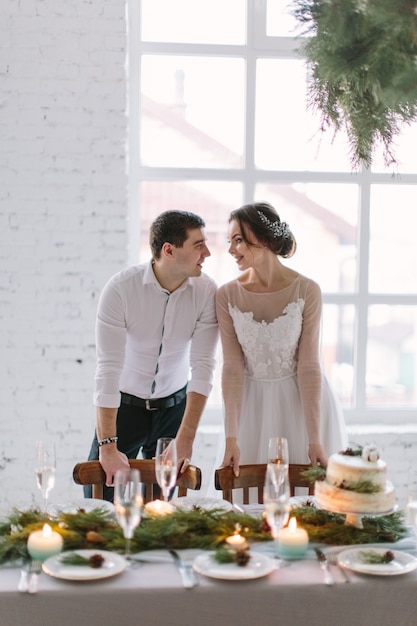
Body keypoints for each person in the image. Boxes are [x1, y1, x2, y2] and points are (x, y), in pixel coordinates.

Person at [85, 210, 218, 501]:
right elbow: (107, 369)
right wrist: (108, 445)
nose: (207, 253)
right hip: (123, 411)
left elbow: (204, 366)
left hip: (174, 411)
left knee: (162, 515)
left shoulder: (207, 291)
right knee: (100, 507)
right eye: (198, 245)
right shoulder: (120, 290)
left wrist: (186, 438)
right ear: (169, 250)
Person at [216, 201, 347, 478]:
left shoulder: (307, 290)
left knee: (308, 498)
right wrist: (231, 438)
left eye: (238, 240)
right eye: (230, 241)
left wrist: (314, 440)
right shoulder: (226, 295)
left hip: (303, 405)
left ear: (263, 238)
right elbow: (232, 368)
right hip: (251, 408)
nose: (230, 250)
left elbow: (310, 365)